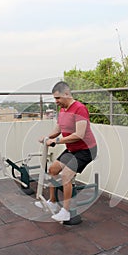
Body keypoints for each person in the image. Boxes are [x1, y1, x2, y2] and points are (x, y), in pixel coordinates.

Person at [35, 81, 97, 222]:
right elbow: (58, 130)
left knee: (66, 175)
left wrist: (56, 142)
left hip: (86, 150)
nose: (56, 101)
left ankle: (66, 211)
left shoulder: (80, 109)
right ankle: (53, 202)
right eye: (55, 99)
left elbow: (79, 135)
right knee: (52, 170)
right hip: (72, 149)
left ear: (67, 94)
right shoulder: (62, 110)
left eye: (58, 98)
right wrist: (47, 137)